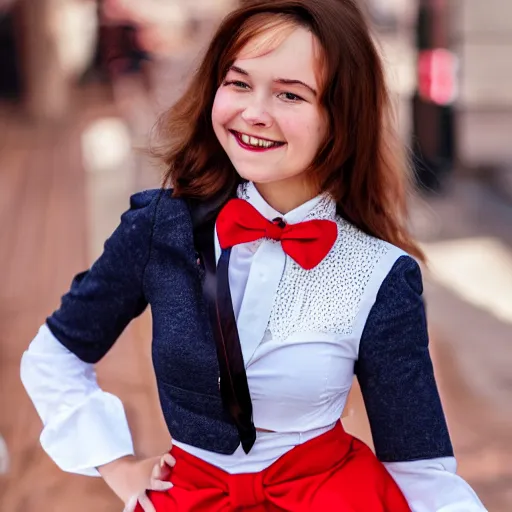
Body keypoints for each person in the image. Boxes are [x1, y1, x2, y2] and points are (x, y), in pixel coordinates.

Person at [21, 1, 487, 511]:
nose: (254, 112)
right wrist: (116, 467)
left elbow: (422, 475)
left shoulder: (378, 274)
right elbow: (54, 357)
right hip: (189, 500)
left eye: (290, 93)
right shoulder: (162, 229)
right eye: (239, 83)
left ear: (341, 116)